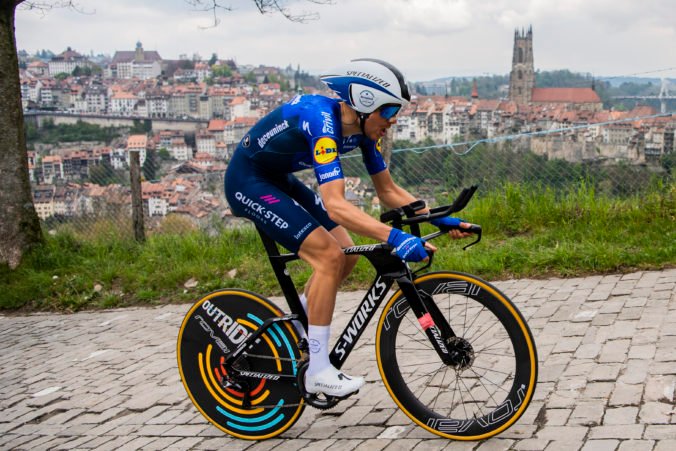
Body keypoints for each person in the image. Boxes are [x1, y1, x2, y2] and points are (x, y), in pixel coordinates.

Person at [225, 58, 471, 398]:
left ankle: (299, 334)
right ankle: (318, 371)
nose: (393, 120)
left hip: (278, 180)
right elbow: (335, 204)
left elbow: (387, 191)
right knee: (328, 257)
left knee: (347, 256)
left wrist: (437, 216)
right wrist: (394, 237)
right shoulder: (321, 120)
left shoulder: (362, 132)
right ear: (365, 104)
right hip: (248, 181)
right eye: (388, 111)